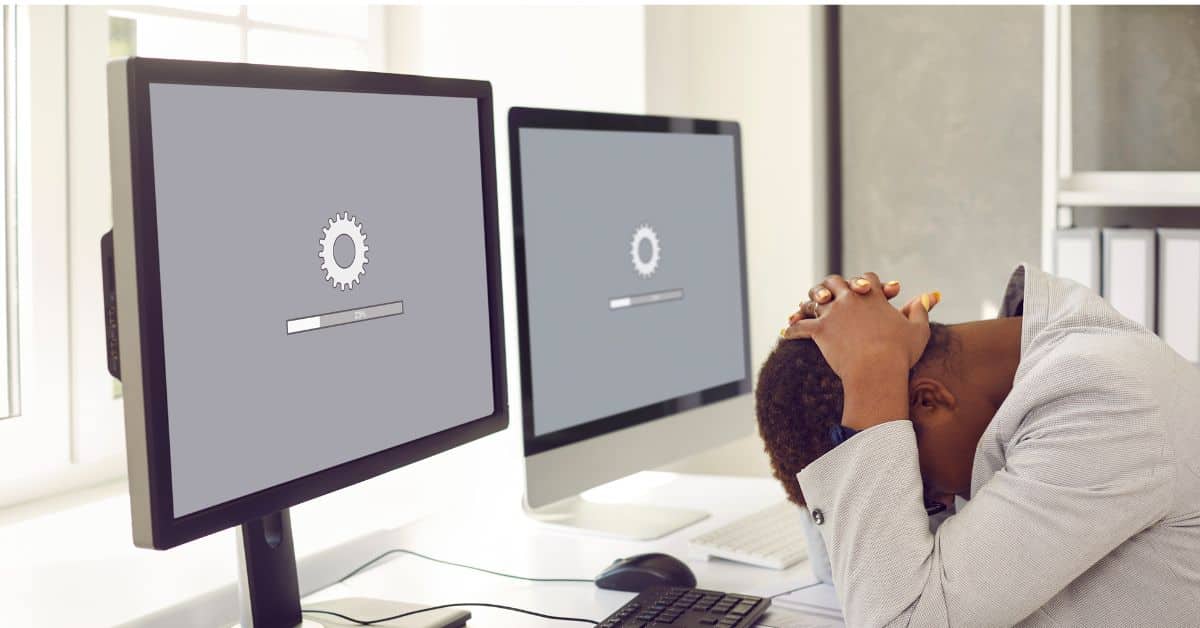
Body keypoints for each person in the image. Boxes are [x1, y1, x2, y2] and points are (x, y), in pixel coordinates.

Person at [755, 264, 1200, 627]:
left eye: (923, 495)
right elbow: (837, 564)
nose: (945, 504)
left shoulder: (1099, 401)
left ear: (928, 399)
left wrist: (873, 367)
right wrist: (855, 344)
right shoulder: (1034, 364)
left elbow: (897, 620)